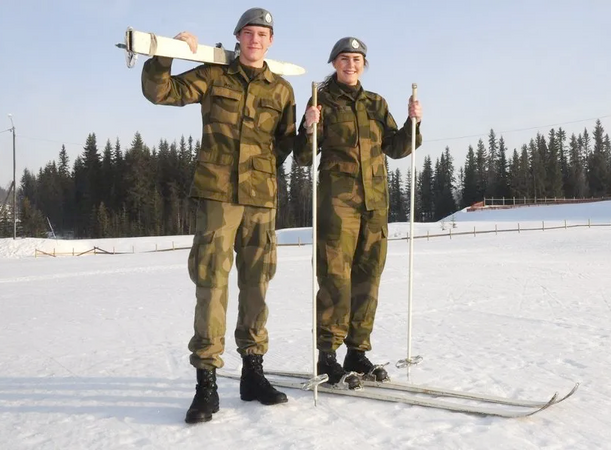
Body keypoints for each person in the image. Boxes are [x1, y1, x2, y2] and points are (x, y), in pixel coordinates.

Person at [141, 7, 297, 423]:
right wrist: (166, 54)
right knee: (211, 284)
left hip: (261, 201)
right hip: (217, 199)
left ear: (271, 41)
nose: (254, 40)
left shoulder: (281, 90)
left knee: (257, 284)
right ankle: (206, 383)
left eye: (262, 34)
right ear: (238, 38)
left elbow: (284, 144)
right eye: (248, 33)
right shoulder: (213, 75)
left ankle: (253, 373)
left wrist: (262, 167)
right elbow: (161, 92)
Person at [295, 37, 423, 389]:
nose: (351, 64)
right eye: (344, 59)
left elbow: (397, 148)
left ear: (364, 64)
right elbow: (305, 157)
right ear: (334, 63)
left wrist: (414, 124)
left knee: (369, 278)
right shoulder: (322, 101)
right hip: (338, 206)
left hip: (375, 204)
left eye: (357, 59)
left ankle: (356, 351)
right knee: (336, 279)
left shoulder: (375, 103)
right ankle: (328, 354)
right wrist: (308, 126)